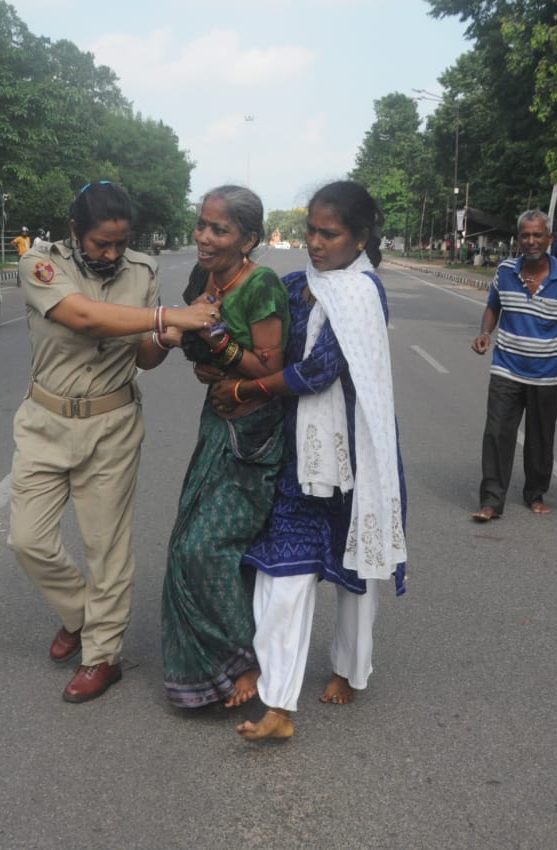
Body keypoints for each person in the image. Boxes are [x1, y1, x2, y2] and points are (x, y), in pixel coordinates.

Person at [208, 181, 407, 741]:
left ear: (360, 238)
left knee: (354, 571)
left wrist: (245, 390)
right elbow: (262, 329)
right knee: (283, 568)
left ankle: (349, 668)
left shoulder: (363, 292)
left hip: (354, 453)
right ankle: (277, 704)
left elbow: (318, 370)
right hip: (298, 452)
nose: (316, 243)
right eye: (311, 232)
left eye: (329, 234)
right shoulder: (299, 285)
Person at [7, 181, 214, 703]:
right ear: (75, 231)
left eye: (121, 243)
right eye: (101, 243)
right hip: (45, 421)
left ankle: (103, 656)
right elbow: (83, 317)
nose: (112, 253)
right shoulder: (41, 264)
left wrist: (164, 339)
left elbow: (143, 355)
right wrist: (168, 317)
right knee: (27, 540)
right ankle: (80, 615)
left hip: (112, 423)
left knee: (107, 549)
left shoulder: (142, 272)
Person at [160, 186, 289, 709]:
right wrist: (205, 361)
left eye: (220, 229)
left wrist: (219, 344)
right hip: (216, 421)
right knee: (185, 548)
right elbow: (195, 352)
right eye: (202, 225)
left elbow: (270, 371)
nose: (205, 237)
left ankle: (247, 662)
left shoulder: (261, 286)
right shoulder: (203, 276)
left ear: (248, 239)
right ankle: (209, 674)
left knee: (206, 548)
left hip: (253, 435)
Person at [470, 210, 557, 522]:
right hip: (506, 367)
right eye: (525, 235)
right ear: (518, 239)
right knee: (497, 433)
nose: (531, 241)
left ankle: (535, 494)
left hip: (546, 374)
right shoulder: (505, 271)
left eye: (538, 235)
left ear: (549, 239)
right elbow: (493, 306)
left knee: (540, 438)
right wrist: (485, 333)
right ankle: (491, 501)